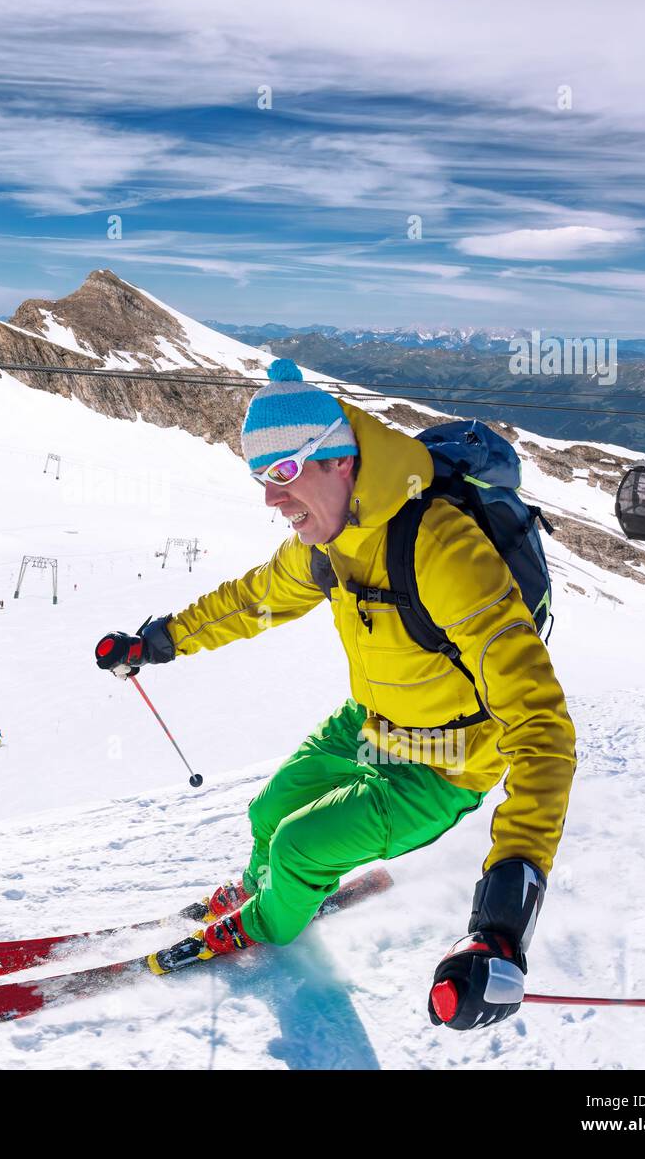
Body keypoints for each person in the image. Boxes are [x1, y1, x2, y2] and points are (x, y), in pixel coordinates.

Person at [95, 359, 576, 1031]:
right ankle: (271, 892)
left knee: (297, 846)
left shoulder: (442, 549)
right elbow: (254, 600)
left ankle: (267, 922)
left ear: (341, 460)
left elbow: (544, 729)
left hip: (443, 762)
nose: (271, 498)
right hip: (371, 722)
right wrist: (157, 642)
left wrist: (501, 921)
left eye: (285, 472)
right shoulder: (328, 538)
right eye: (262, 477)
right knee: (270, 814)